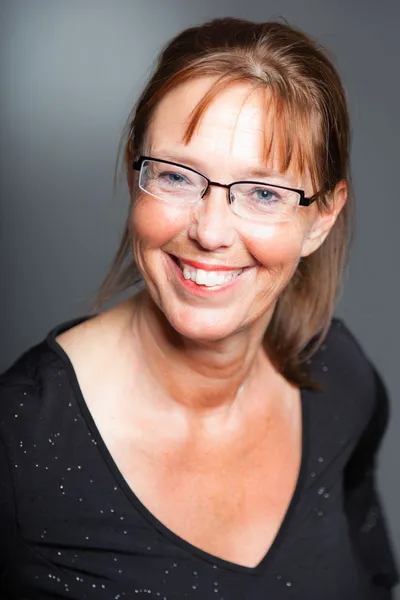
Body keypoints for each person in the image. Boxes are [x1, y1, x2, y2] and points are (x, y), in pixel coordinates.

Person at [0, 16, 398, 600]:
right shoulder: (21, 441)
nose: (211, 233)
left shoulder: (339, 376)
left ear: (321, 218)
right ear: (137, 177)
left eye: (264, 193)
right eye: (177, 176)